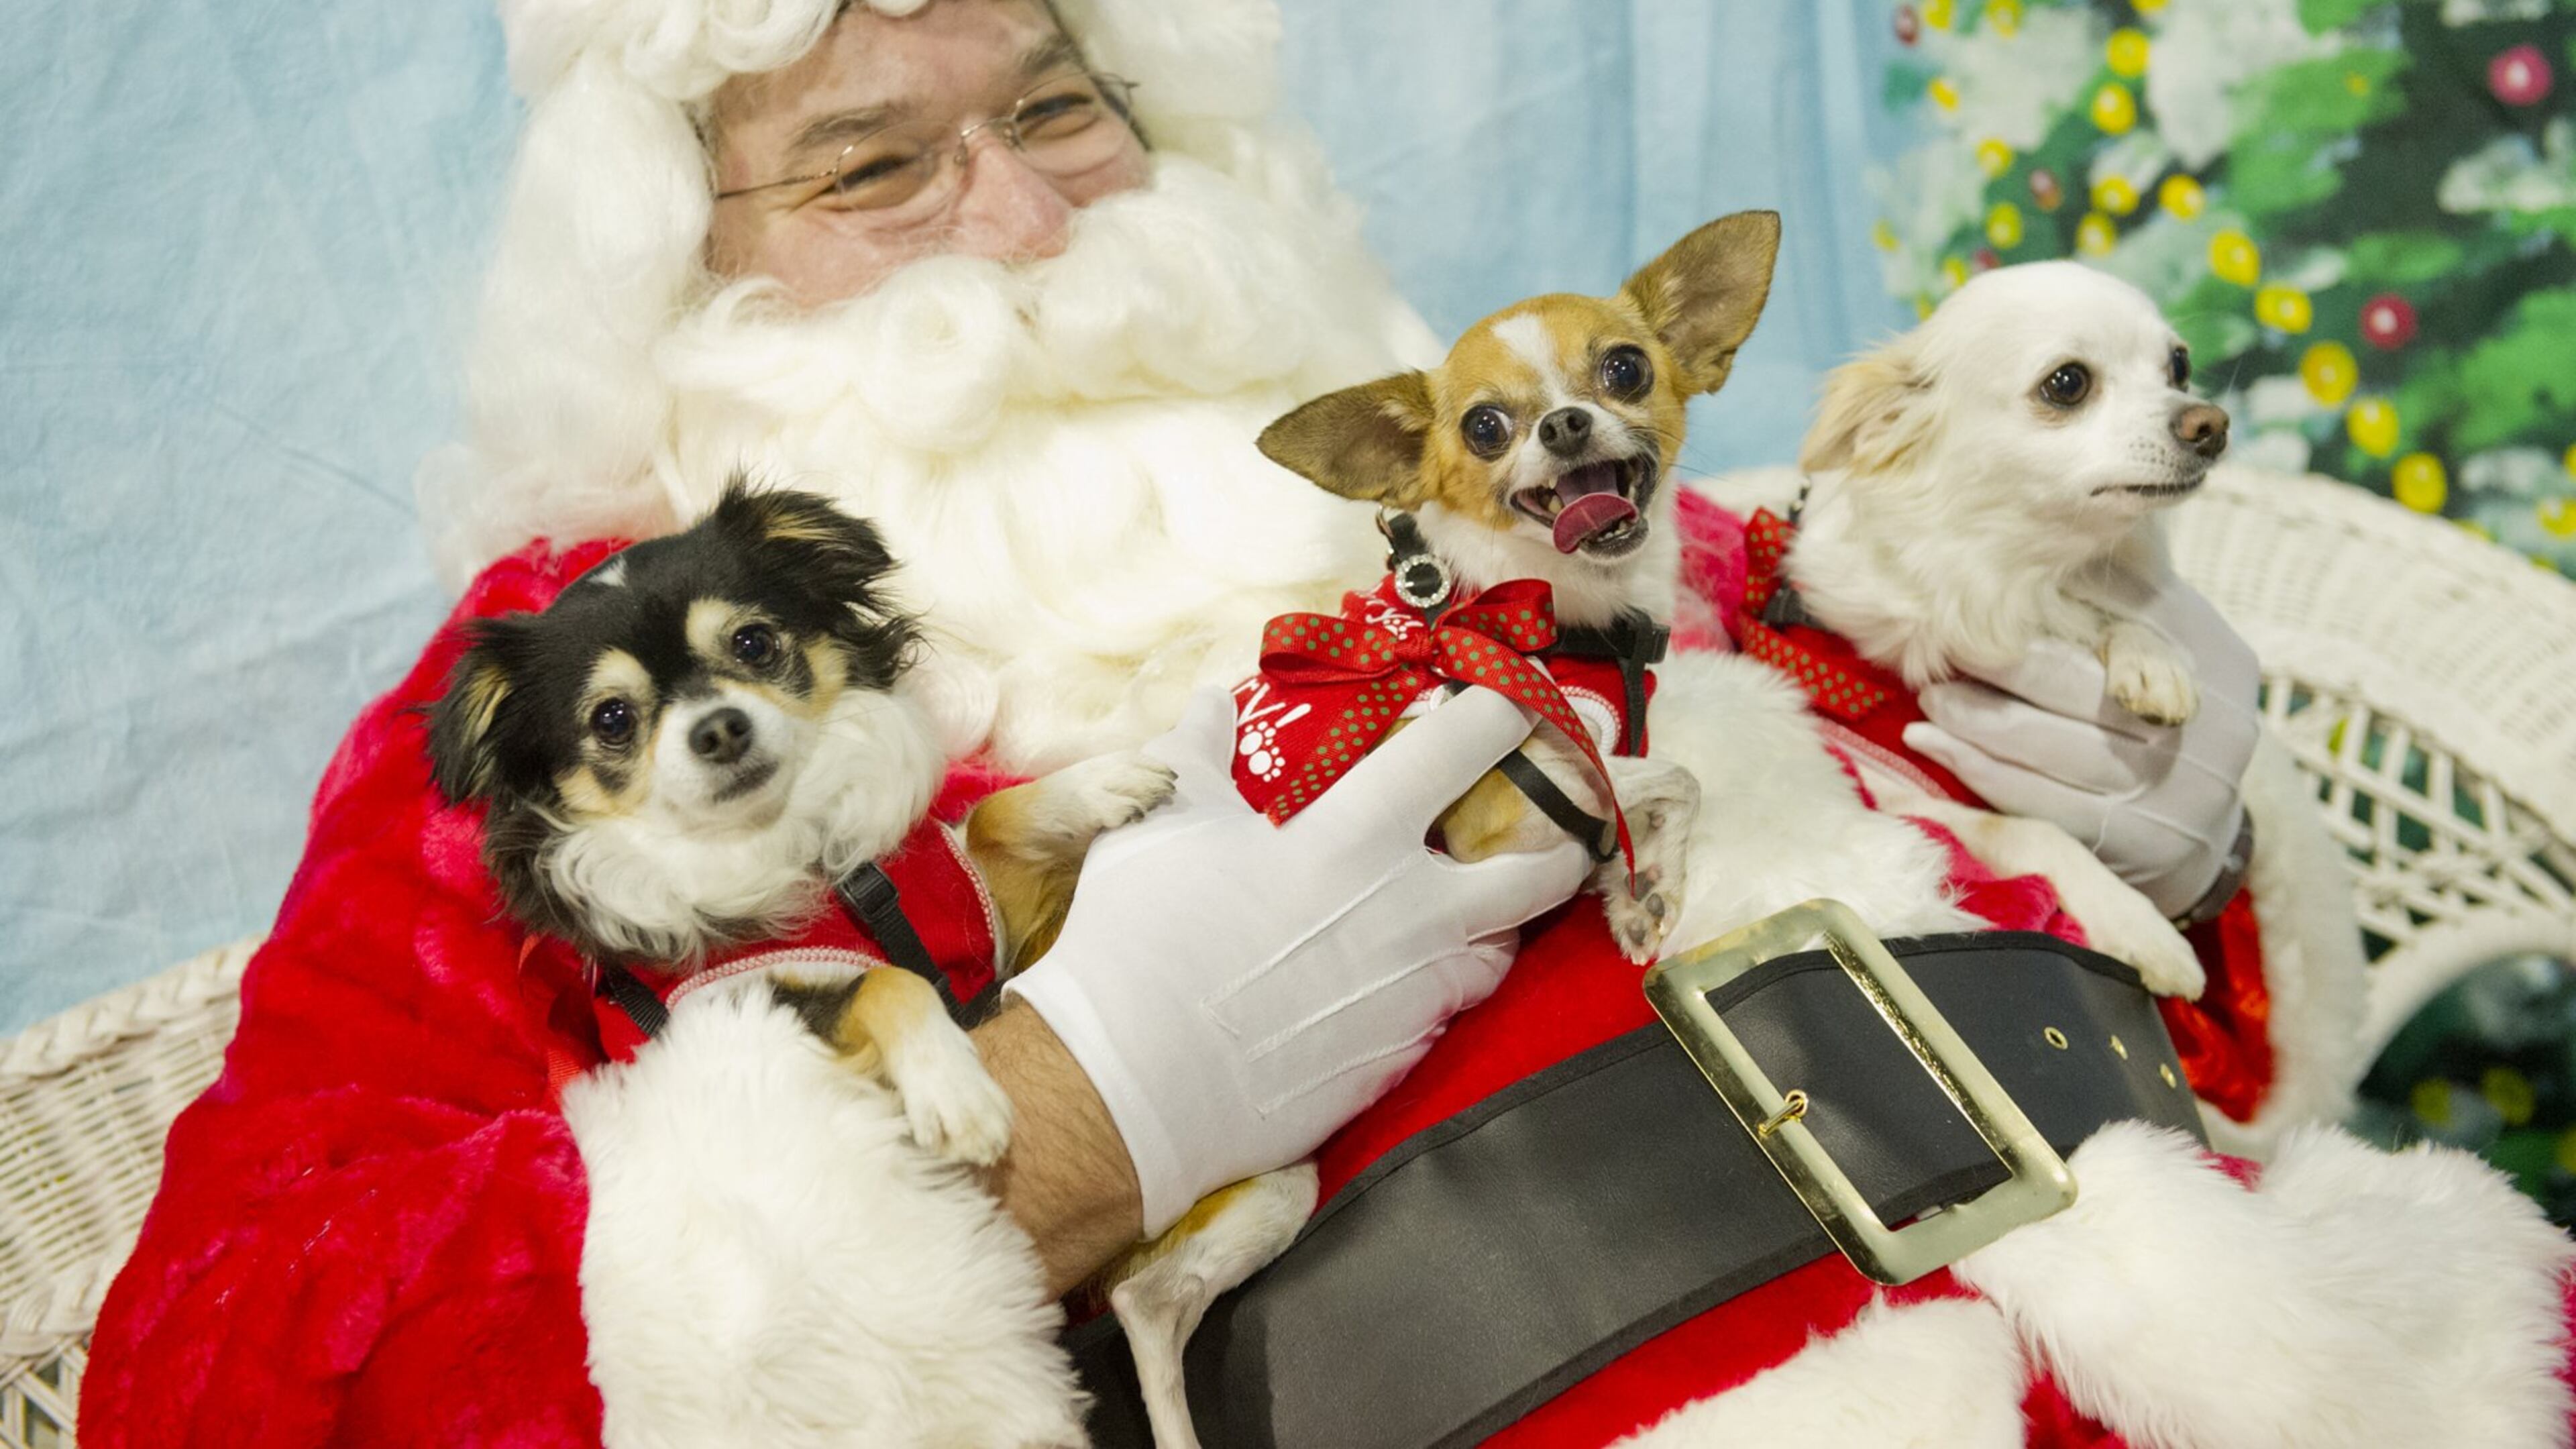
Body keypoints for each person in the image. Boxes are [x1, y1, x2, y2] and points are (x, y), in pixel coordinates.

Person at [82, 0, 2576, 1444]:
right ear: (675, 273)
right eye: (870, 168)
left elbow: (2081, 930)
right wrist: (1077, 1113)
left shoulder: (1499, 462)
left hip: (2256, 1340)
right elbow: (226, 1377)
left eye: (1058, 107)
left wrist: (2176, 833)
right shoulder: (564, 710)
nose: (1030, 226)